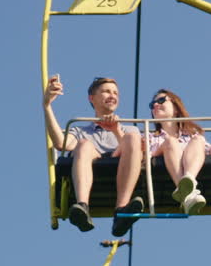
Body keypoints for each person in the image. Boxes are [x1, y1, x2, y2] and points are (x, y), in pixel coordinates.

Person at [44, 75, 145, 236]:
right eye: (106, 92)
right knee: (84, 144)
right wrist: (47, 105)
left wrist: (116, 130)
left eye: (115, 93)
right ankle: (82, 206)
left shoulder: (129, 130)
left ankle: (121, 209)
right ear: (92, 98)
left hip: (123, 162)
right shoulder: (80, 131)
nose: (112, 96)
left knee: (132, 138)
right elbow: (60, 144)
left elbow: (138, 153)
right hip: (91, 160)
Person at [146, 89, 211, 215]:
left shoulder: (191, 136)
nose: (156, 105)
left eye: (161, 100)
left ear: (176, 107)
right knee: (171, 142)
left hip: (189, 167)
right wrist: (165, 146)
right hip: (159, 175)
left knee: (199, 139)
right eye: (152, 105)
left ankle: (187, 183)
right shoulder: (149, 137)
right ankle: (188, 191)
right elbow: (146, 158)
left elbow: (207, 152)